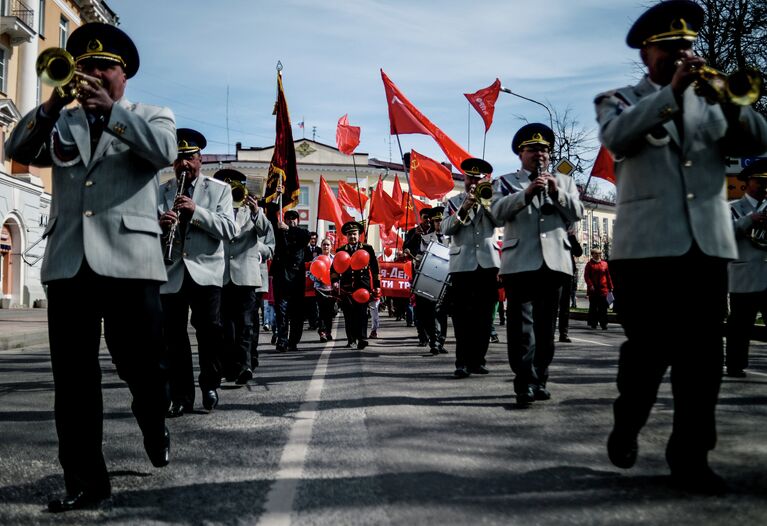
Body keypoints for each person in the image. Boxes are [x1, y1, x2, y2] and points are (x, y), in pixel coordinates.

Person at [595, 0, 767, 493]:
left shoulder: (714, 101)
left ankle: (690, 458)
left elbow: (757, 139)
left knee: (701, 360)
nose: (681, 56)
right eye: (670, 49)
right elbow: (619, 139)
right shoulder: (620, 99)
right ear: (647, 52)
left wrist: (736, 101)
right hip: (644, 251)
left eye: (687, 48)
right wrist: (671, 93)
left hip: (706, 248)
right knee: (648, 352)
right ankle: (628, 421)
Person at [4, 23, 176, 511]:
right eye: (86, 66)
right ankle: (84, 481)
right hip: (69, 264)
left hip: (131, 264)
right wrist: (53, 104)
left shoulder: (151, 116)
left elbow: (163, 152)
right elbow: (16, 150)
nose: (94, 74)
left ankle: (153, 420)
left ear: (124, 75)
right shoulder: (62, 121)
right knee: (74, 380)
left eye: (105, 67)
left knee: (141, 366)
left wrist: (114, 114)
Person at [491, 124, 583, 404]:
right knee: (521, 328)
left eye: (544, 150)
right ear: (521, 153)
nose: (539, 154)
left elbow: (577, 212)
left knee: (546, 328)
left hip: (554, 262)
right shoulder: (506, 182)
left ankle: (540, 377)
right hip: (520, 263)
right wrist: (527, 193)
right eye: (533, 149)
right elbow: (496, 213)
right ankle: (524, 382)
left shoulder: (565, 182)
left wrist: (557, 193)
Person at [159, 129, 238, 417]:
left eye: (189, 158)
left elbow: (230, 229)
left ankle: (210, 384)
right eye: (178, 159)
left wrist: (197, 212)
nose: (184, 165)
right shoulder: (162, 190)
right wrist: (159, 225)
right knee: (173, 339)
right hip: (172, 272)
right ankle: (181, 396)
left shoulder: (220, 190)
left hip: (206, 273)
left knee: (210, 333)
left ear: (200, 159)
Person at [442, 158, 502, 378]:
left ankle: (478, 360)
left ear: (485, 179)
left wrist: (485, 203)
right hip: (462, 266)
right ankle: (462, 362)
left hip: (487, 265)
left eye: (478, 179)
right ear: (464, 179)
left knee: (485, 316)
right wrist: (463, 208)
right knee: (463, 317)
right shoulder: (452, 202)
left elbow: (500, 221)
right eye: (470, 179)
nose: (473, 183)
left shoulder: (492, 199)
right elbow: (446, 229)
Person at [215, 169, 272, 385]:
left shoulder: (251, 210)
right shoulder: (217, 209)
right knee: (225, 327)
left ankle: (245, 366)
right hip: (221, 275)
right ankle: (229, 367)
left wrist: (257, 211)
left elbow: (266, 232)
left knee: (246, 325)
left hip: (247, 276)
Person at [725, 159, 767, 377]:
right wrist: (750, 220)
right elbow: (724, 234)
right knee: (740, 325)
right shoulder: (732, 208)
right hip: (745, 275)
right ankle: (735, 364)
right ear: (747, 182)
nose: (763, 186)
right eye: (759, 181)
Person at [334, 221, 380, 349]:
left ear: (359, 234)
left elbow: (375, 269)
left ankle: (362, 338)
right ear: (346, 236)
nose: (352, 237)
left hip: (362, 287)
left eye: (354, 234)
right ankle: (351, 339)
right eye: (349, 235)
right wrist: (334, 282)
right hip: (347, 287)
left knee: (362, 314)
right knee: (349, 315)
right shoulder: (341, 250)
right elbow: (334, 269)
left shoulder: (367, 248)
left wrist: (377, 285)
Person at [270, 208, 311, 352]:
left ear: (298, 221)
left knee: (297, 314)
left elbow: (305, 237)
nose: (291, 220)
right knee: (281, 313)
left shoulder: (302, 233)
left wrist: (288, 228)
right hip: (281, 279)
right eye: (288, 218)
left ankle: (293, 341)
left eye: (294, 218)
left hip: (296, 281)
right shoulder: (278, 233)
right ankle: (282, 341)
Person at [404, 206, 433, 346]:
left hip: (433, 272)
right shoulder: (412, 232)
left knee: (432, 306)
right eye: (425, 217)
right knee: (419, 305)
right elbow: (405, 248)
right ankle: (422, 335)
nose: (428, 220)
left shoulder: (436, 231)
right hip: (418, 271)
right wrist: (415, 235)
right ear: (420, 219)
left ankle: (434, 336)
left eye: (429, 217)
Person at [251, 217, 276, 369]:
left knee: (250, 322)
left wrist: (251, 245)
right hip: (226, 278)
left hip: (255, 279)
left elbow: (270, 249)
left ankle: (250, 356)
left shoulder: (262, 220)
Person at [558, 226, 584, 342]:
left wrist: (572, 237)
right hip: (554, 272)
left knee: (565, 305)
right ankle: (548, 332)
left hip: (567, 272)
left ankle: (564, 333)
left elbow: (578, 252)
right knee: (552, 304)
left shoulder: (570, 237)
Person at [312, 238, 336, 342]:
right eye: (324, 245)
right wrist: (316, 277)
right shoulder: (316, 259)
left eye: (328, 245)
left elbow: (339, 272)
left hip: (331, 289)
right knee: (321, 311)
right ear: (321, 246)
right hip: (319, 289)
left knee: (330, 312)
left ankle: (329, 331)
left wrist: (336, 282)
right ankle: (322, 332)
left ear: (331, 246)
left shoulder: (334, 259)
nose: (326, 247)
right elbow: (311, 274)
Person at [584, 247, 613, 330]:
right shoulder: (589, 264)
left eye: (599, 253)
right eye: (596, 253)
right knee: (593, 307)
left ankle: (604, 324)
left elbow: (608, 276)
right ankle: (594, 323)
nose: (598, 255)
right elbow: (586, 276)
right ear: (592, 254)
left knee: (603, 308)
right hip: (593, 290)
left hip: (604, 289)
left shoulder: (605, 264)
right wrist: (590, 285)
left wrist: (611, 286)